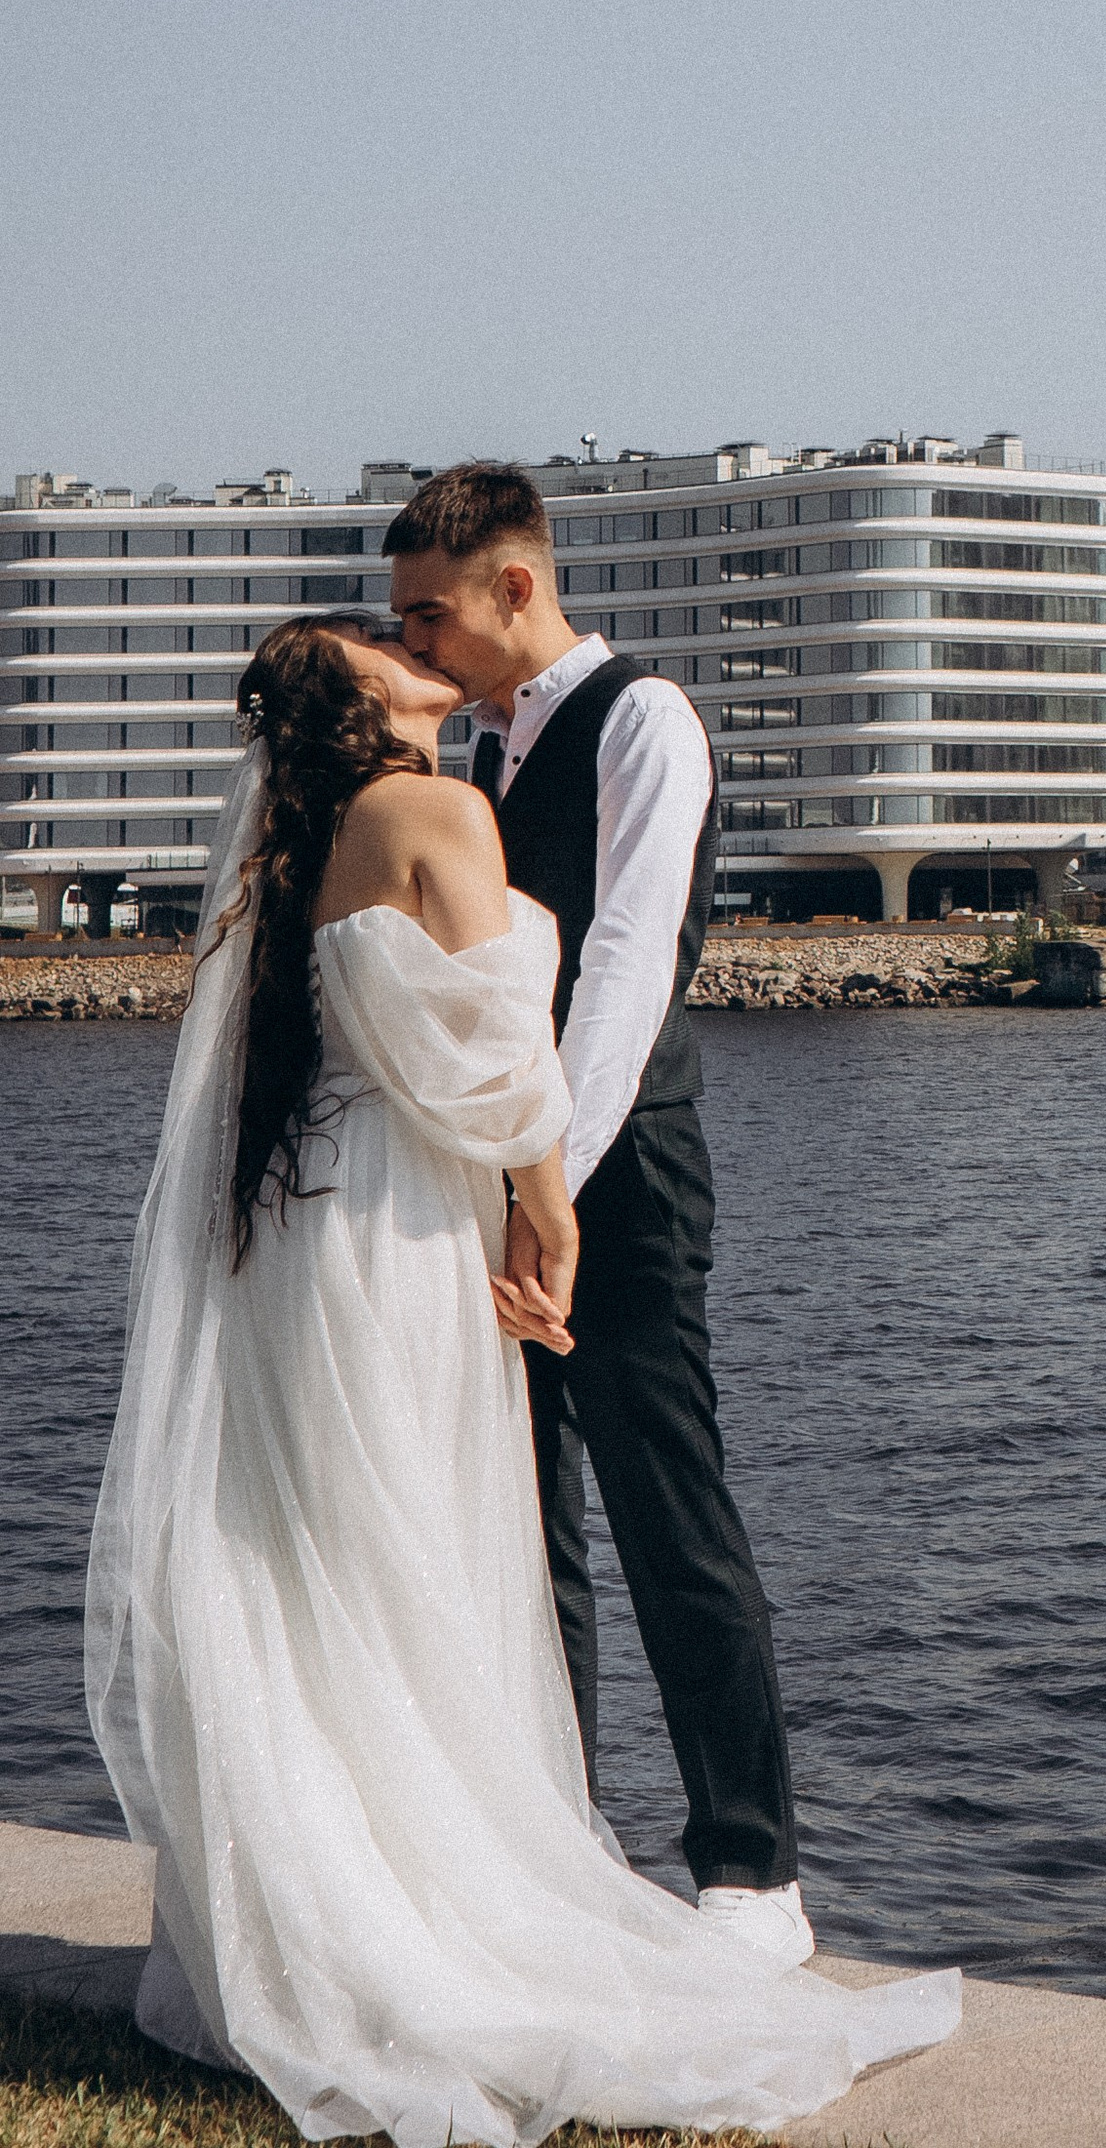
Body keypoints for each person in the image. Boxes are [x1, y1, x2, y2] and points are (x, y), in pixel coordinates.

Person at [85, 616, 957, 2147]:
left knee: (320, 1563)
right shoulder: (437, 808)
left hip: (297, 1240)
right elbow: (503, 1054)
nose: (405, 641)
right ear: (361, 703)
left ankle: (309, 1921)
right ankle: (437, 1917)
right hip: (409, 1224)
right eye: (380, 645)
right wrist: (547, 1213)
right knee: (423, 1550)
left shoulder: (283, 850)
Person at [383, 465, 806, 1953]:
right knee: (528, 1530)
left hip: (617, 1184)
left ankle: (753, 1877)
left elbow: (629, 971)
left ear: (516, 585)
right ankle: (556, 1852)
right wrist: (503, 1179)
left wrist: (546, 1181)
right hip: (503, 1182)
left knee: (669, 1516)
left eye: (429, 614)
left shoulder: (645, 721)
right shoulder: (477, 752)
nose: (415, 644)